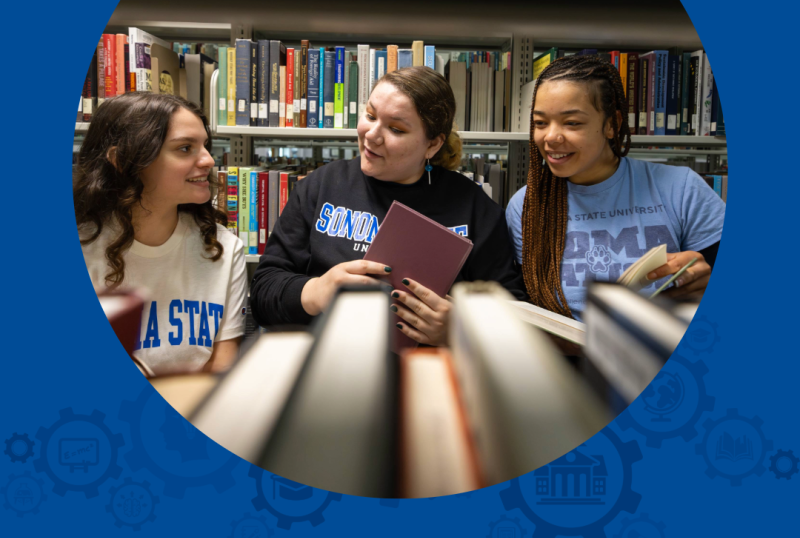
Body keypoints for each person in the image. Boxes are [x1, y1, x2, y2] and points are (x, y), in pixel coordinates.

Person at [251, 66, 526, 344]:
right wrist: (317, 291)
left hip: (426, 370)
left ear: (432, 145)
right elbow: (263, 293)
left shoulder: (473, 207)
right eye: (370, 116)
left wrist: (459, 329)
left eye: (396, 128)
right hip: (329, 359)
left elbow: (512, 310)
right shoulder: (323, 184)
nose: (371, 134)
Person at [506, 54, 725, 320]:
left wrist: (706, 283)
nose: (551, 137)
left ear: (612, 124)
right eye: (540, 123)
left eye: (572, 122)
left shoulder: (681, 189)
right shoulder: (526, 205)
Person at [75, 92, 246, 377]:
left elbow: (221, 369)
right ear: (123, 160)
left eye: (205, 145)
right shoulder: (82, 248)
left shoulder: (224, 249)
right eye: (184, 148)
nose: (208, 161)